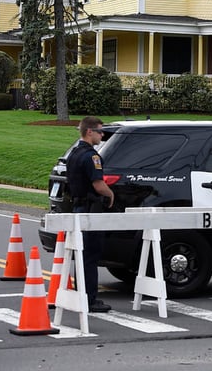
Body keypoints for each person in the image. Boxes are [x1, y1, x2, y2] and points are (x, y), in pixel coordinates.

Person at [67, 116, 115, 313]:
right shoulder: (91, 156)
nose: (102, 136)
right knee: (91, 255)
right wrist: (110, 194)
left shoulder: (74, 153)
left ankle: (82, 295)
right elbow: (98, 184)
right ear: (89, 132)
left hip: (78, 207)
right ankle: (90, 299)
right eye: (100, 131)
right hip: (90, 209)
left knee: (82, 254)